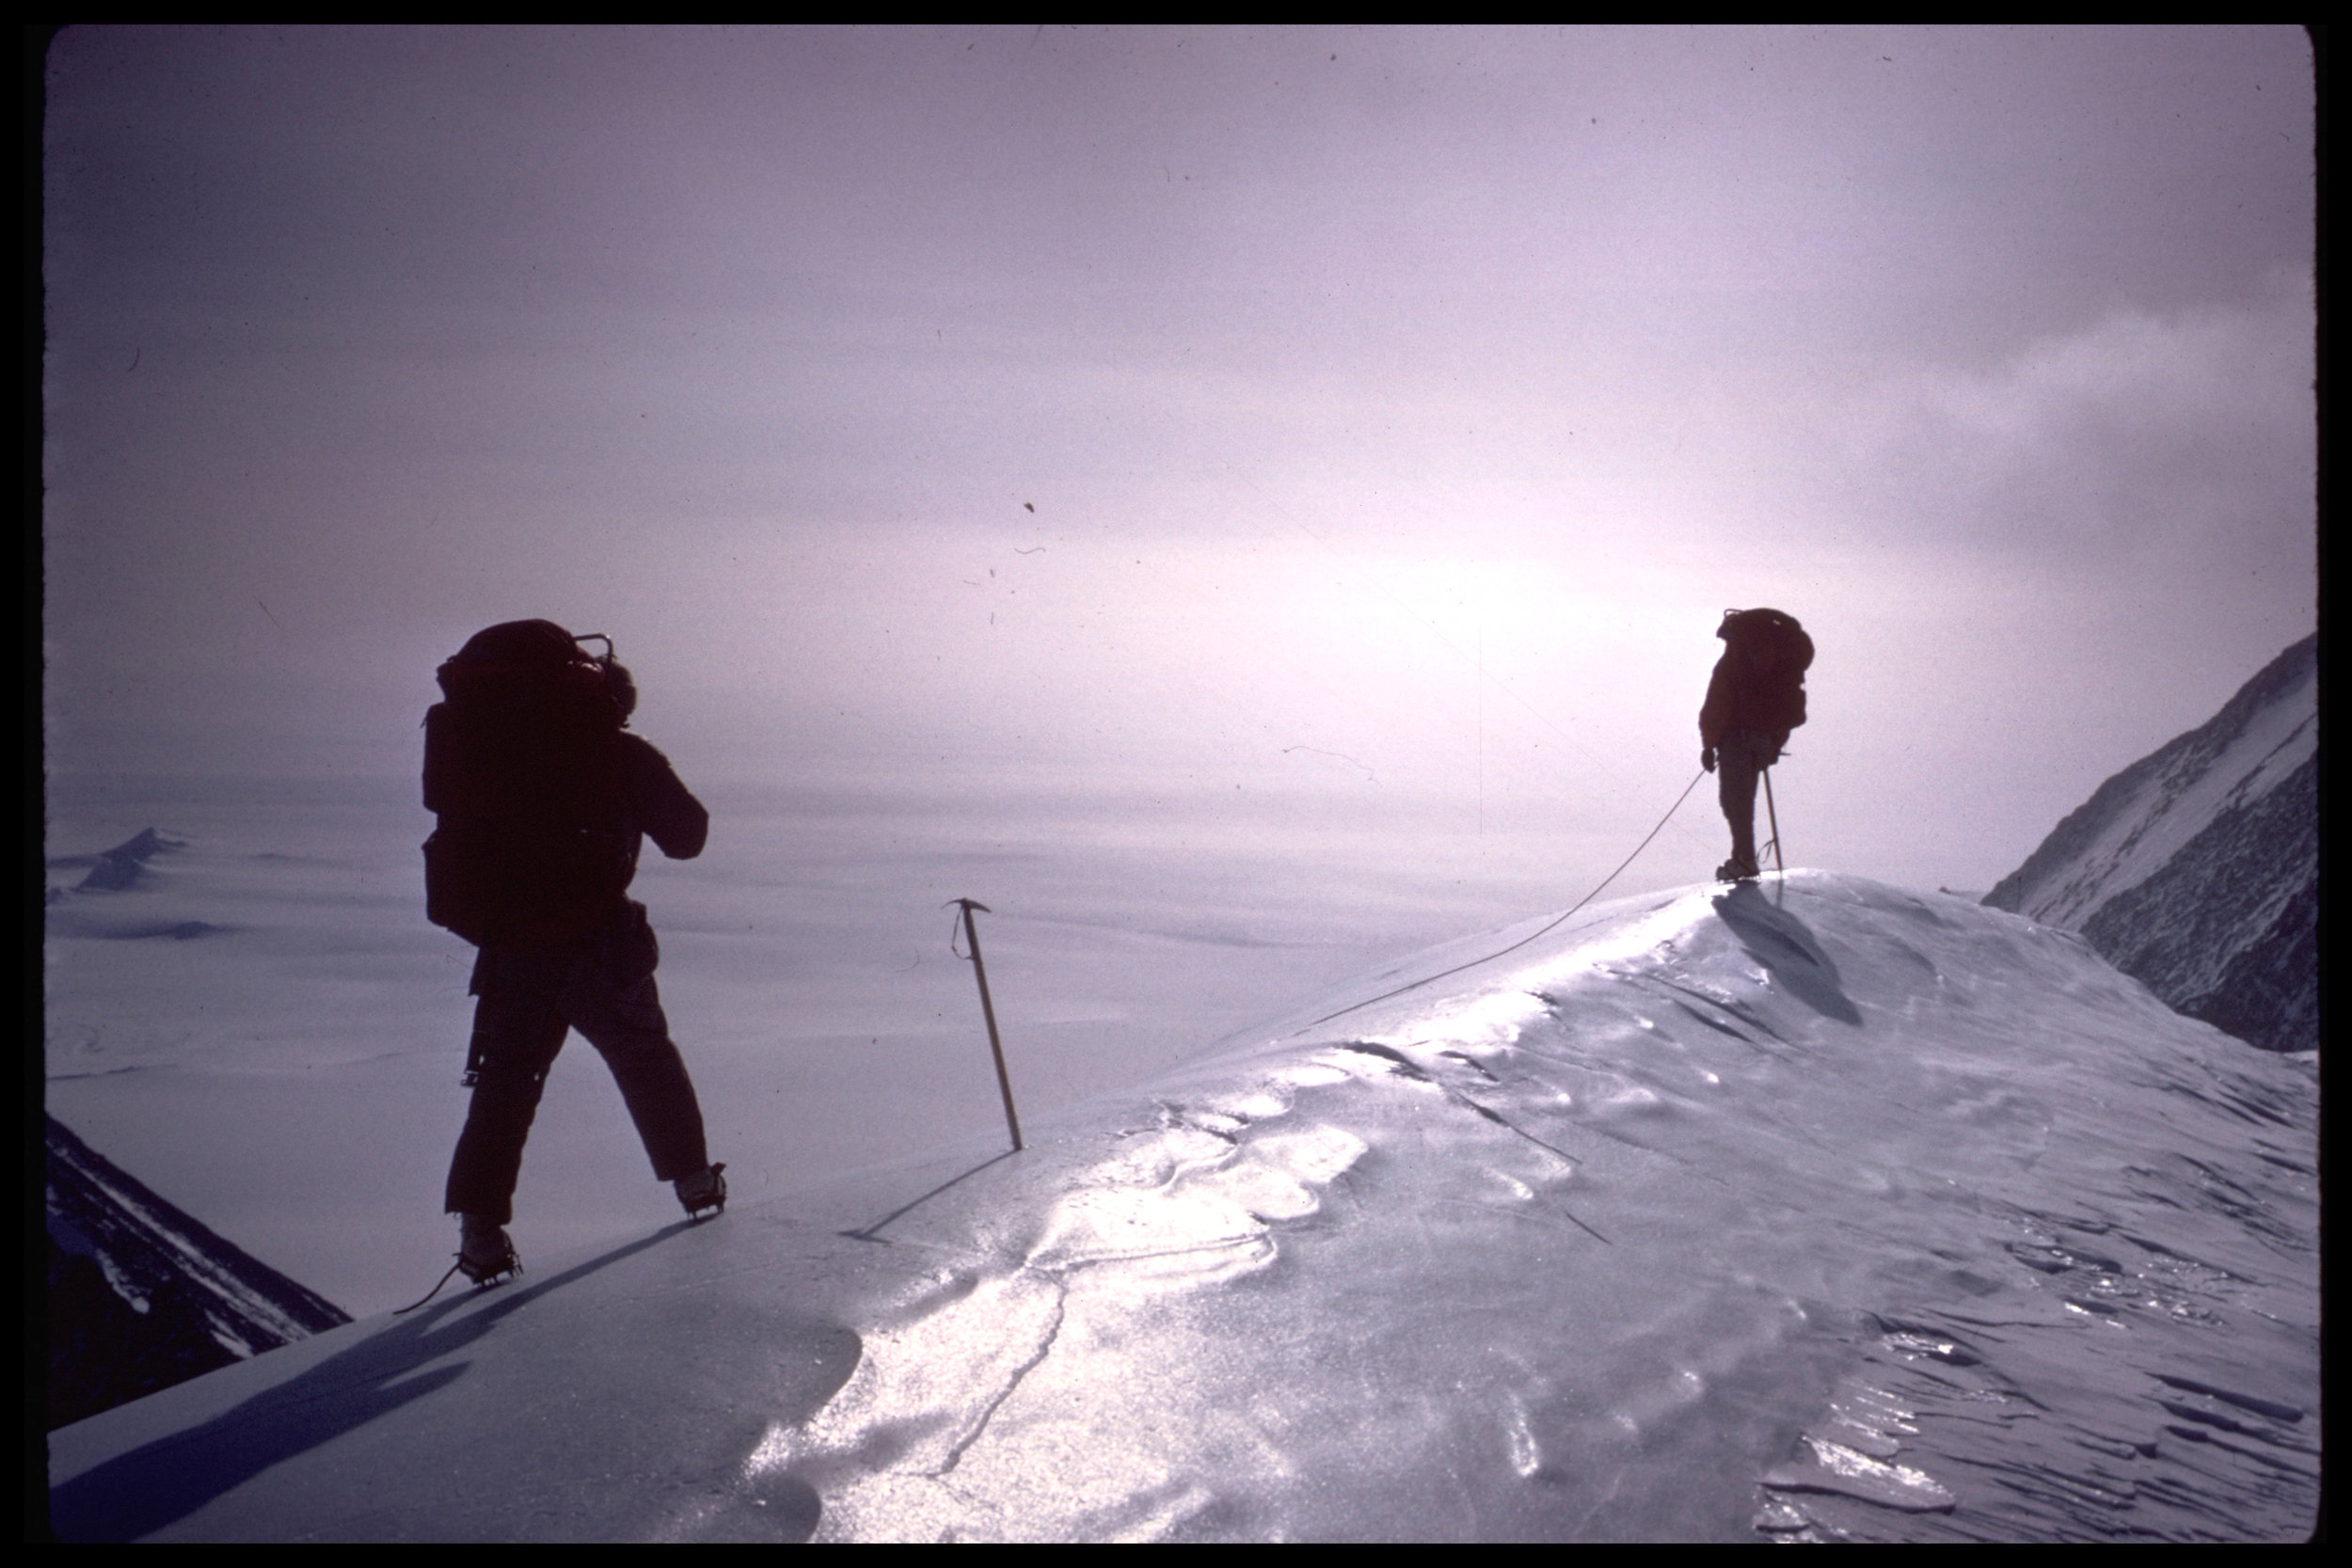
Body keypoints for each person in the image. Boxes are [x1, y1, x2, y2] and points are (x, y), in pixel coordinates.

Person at [421, 620, 725, 1285]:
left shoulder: (480, 745)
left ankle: (480, 1235)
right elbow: (687, 835)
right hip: (601, 942)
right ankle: (697, 1187)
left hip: (512, 948)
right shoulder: (619, 751)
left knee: (505, 1084)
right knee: (645, 1056)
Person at [1698, 608, 1812, 881]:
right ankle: (1744, 858)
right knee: (1744, 799)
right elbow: (1785, 708)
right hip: (1765, 739)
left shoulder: (1733, 661)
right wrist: (1773, 743)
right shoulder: (1780, 663)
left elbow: (1717, 703)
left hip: (1735, 740)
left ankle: (1745, 860)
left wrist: (1709, 745)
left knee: (1734, 801)